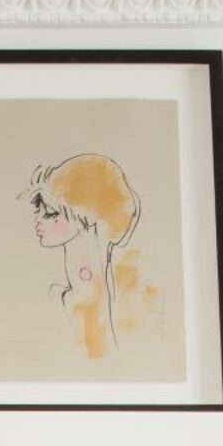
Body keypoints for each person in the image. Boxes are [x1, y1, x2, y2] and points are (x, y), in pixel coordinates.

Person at [21, 153, 143, 361]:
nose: (38, 219)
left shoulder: (110, 305)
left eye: (51, 213)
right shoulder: (58, 299)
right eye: (39, 210)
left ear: (85, 216)